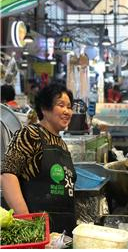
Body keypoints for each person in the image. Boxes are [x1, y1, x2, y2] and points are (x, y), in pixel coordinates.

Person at [0, 83, 76, 236]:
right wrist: (27, 222)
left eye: (69, 106)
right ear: (44, 108)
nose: (67, 111)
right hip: (36, 230)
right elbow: (7, 174)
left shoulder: (61, 143)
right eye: (61, 105)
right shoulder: (30, 134)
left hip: (61, 232)